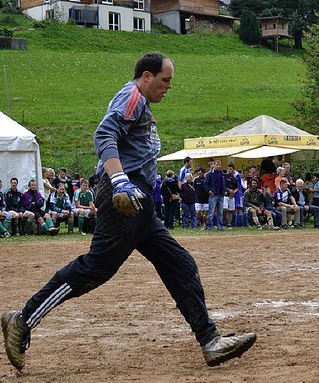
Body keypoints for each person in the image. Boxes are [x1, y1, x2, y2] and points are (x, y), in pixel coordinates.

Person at [0, 52, 256, 372]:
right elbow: (104, 135)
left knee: (179, 264)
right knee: (97, 267)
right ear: (146, 77)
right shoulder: (132, 96)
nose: (168, 87)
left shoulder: (141, 104)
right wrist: (121, 182)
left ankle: (210, 341)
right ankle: (23, 319)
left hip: (138, 200)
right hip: (126, 194)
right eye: (165, 80)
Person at [204, 160, 225, 231]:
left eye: (219, 165)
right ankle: (209, 226)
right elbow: (206, 184)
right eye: (217, 165)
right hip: (213, 195)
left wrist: (224, 191)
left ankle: (220, 227)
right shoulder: (209, 174)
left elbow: (224, 183)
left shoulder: (222, 174)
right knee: (211, 212)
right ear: (214, 165)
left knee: (220, 212)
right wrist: (209, 191)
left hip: (221, 195)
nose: (218, 166)